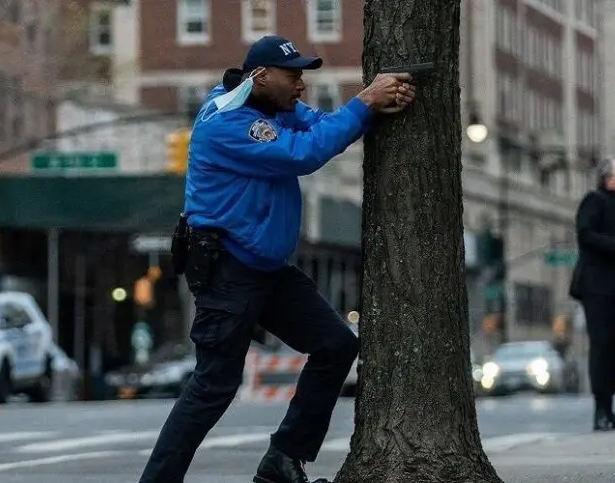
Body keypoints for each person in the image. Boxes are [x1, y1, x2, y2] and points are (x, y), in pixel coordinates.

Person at [138, 35, 416, 483]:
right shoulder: (228, 120)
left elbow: (323, 126)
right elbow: (302, 153)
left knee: (336, 344)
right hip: (228, 268)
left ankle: (283, 461)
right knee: (213, 386)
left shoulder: (273, 106)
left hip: (266, 268)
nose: (301, 86)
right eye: (294, 76)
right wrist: (365, 101)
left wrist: (376, 107)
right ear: (261, 76)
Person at [570, 157, 615, 431]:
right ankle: (601, 412)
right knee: (602, 348)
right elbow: (585, 235)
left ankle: (609, 411)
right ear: (609, 178)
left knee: (614, 350)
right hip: (599, 289)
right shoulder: (594, 200)